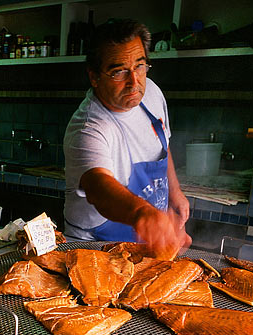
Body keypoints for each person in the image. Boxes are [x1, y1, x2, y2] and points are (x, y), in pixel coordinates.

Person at [63, 19, 191, 257]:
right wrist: (144, 214)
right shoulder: (88, 127)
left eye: (140, 66)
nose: (134, 82)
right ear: (94, 76)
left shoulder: (151, 92)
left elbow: (162, 143)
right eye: (119, 71)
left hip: (148, 240)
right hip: (95, 246)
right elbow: (98, 188)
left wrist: (175, 192)